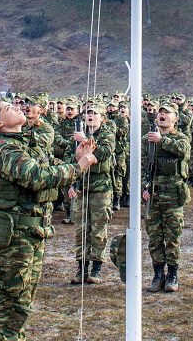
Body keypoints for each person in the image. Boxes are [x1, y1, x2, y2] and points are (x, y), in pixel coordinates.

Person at [0, 98, 97, 341]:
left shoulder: (24, 145)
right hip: (15, 239)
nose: (17, 107)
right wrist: (78, 167)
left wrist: (76, 158)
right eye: (8, 108)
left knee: (22, 303)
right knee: (12, 304)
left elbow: (49, 165)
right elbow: (38, 176)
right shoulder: (6, 149)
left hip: (30, 234)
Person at [142, 99, 191, 292]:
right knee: (154, 237)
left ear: (175, 118)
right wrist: (144, 187)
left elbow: (183, 151)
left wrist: (162, 141)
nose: (162, 115)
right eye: (160, 112)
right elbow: (143, 165)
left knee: (172, 237)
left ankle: (172, 274)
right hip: (153, 195)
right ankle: (157, 275)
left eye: (167, 112)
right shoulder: (147, 140)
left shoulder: (181, 138)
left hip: (173, 196)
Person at [68, 100, 117, 284]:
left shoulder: (107, 134)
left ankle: (96, 268)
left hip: (100, 188)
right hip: (82, 187)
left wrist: (86, 141)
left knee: (98, 229)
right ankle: (81, 268)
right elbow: (71, 159)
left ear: (102, 118)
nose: (90, 116)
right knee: (81, 229)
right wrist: (72, 183)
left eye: (95, 113)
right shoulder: (78, 134)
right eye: (88, 113)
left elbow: (104, 151)